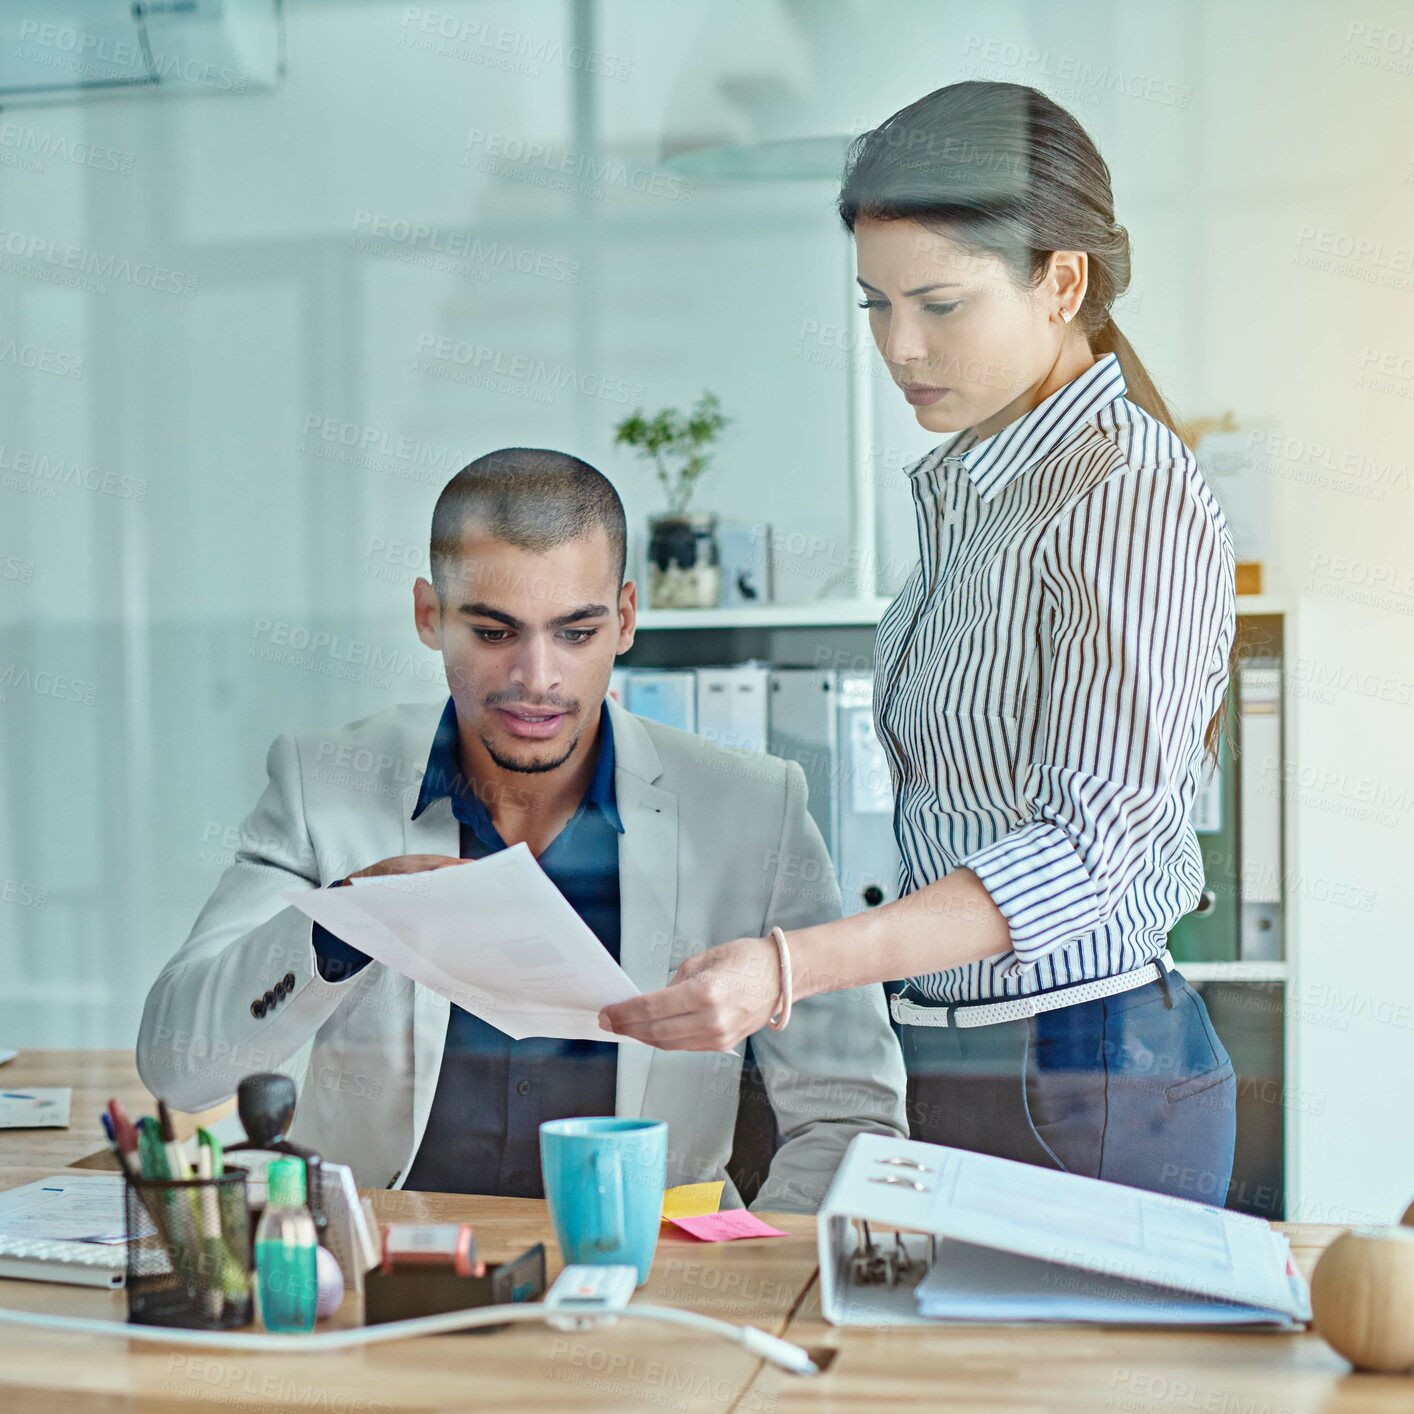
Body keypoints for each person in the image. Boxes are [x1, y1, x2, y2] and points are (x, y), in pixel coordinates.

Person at [600, 82, 1240, 1206]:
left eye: (940, 303)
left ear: (1061, 281)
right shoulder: (984, 486)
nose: (900, 345)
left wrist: (797, 964)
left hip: (1084, 1072)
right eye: (874, 304)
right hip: (964, 1055)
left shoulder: (1123, 489)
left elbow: (1083, 851)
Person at [137, 449, 906, 1210]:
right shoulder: (322, 783)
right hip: (387, 1284)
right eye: (495, 632)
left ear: (626, 620)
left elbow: (850, 1115)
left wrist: (751, 1287)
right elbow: (179, 1064)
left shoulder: (751, 807)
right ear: (429, 617)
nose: (537, 678)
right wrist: (341, 922)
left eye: (575, 632)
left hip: (654, 1290)